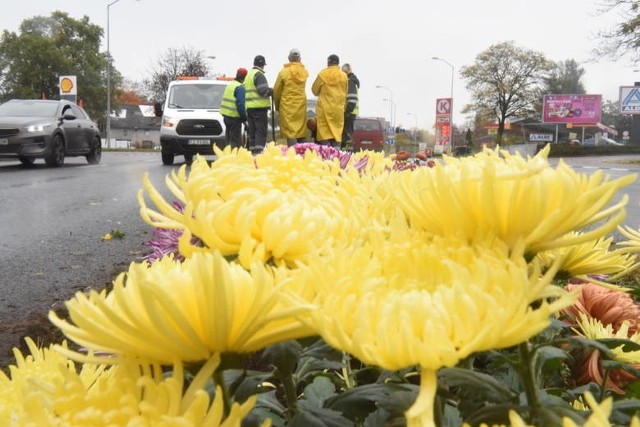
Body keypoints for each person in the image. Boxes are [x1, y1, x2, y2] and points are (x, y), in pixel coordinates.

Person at [273, 49, 309, 145]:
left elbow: (276, 91)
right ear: (300, 58)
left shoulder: (283, 72)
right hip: (301, 105)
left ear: (289, 58)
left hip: (287, 106)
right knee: (301, 131)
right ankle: (304, 154)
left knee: (291, 132)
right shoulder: (304, 72)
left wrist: (277, 106)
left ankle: (293, 154)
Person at [311, 54, 348, 147]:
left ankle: (325, 155)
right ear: (338, 63)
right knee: (337, 134)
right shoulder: (344, 76)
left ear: (328, 62)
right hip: (338, 111)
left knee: (324, 135)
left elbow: (314, 90)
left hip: (324, 111)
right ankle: (337, 156)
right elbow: (346, 92)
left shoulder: (322, 74)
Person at [245, 55, 271, 153]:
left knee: (252, 132)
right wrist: (271, 92)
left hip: (250, 108)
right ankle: (258, 154)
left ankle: (252, 153)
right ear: (263, 65)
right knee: (260, 132)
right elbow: (262, 91)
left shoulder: (249, 75)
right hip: (259, 108)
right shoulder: (259, 75)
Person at [220, 67, 248, 149]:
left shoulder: (230, 85)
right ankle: (233, 158)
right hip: (234, 118)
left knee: (228, 139)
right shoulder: (240, 88)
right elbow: (240, 105)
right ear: (245, 77)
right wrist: (244, 118)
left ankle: (227, 155)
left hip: (226, 116)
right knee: (235, 140)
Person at [341, 63, 360, 149]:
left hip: (349, 113)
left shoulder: (350, 81)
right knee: (348, 136)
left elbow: (352, 99)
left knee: (347, 137)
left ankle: (346, 155)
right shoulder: (352, 80)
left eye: (342, 71)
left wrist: (346, 111)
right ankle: (348, 154)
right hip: (351, 113)